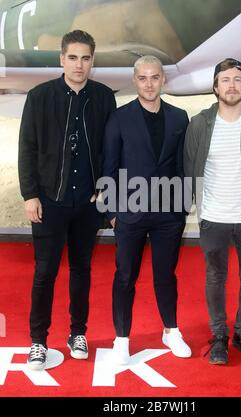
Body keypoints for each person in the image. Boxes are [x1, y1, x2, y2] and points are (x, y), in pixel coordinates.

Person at [18, 30, 116, 370]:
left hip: (87, 203)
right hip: (49, 200)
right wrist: (29, 194)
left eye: (85, 58)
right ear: (61, 59)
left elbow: (110, 148)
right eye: (72, 57)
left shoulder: (104, 97)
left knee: (81, 270)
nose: (79, 64)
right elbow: (27, 148)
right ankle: (38, 341)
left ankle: (78, 333)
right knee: (44, 272)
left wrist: (105, 188)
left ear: (93, 61)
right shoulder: (40, 96)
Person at [184, 58, 241, 365]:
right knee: (216, 278)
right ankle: (220, 335)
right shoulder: (199, 123)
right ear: (215, 87)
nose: (232, 85)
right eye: (225, 80)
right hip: (213, 217)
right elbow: (189, 166)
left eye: (237, 79)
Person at [102, 55, 191, 364]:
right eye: (143, 78)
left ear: (163, 79)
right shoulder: (119, 118)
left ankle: (171, 330)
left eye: (155, 77)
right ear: (135, 80)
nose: (149, 83)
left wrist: (182, 206)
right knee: (125, 276)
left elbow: (183, 166)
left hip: (169, 215)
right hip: (130, 213)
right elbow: (109, 165)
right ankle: (122, 338)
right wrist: (113, 212)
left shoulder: (180, 118)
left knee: (165, 275)